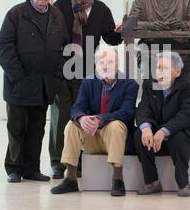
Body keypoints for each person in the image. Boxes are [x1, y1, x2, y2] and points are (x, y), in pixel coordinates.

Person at [49, 0, 123, 179]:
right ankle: (58, 163)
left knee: (83, 116)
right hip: (62, 69)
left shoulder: (101, 9)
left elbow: (109, 37)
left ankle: (78, 161)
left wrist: (119, 31)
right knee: (61, 117)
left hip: (89, 71)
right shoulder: (60, 5)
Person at [0, 0, 68, 183]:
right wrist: (18, 77)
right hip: (18, 85)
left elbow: (63, 49)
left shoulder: (57, 16)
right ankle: (14, 168)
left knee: (37, 129)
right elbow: (3, 47)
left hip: (44, 85)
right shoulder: (16, 14)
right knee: (17, 128)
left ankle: (31, 169)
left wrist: (56, 76)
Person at [50, 47, 139, 196]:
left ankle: (117, 179)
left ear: (117, 65)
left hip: (116, 140)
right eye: (101, 62)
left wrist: (100, 119)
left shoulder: (130, 85)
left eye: (110, 62)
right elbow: (77, 108)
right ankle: (70, 178)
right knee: (72, 125)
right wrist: (82, 118)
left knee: (116, 125)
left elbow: (127, 113)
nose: (105, 66)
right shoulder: (88, 82)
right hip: (93, 138)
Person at [134, 52, 190, 197]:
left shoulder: (188, 87)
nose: (159, 72)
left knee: (178, 137)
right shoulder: (150, 85)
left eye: (165, 68)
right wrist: (146, 128)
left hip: (183, 133)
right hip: (157, 136)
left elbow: (187, 115)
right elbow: (143, 110)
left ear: (177, 72)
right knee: (139, 134)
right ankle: (152, 182)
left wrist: (164, 131)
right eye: (158, 68)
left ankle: (183, 183)